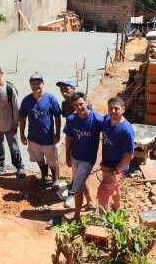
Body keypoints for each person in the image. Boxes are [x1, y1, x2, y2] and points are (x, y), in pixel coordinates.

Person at [64, 92, 103, 220]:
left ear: (86, 102)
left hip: (88, 159)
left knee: (77, 187)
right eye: (76, 105)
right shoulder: (71, 120)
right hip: (75, 156)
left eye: (81, 104)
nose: (79, 107)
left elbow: (110, 129)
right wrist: (67, 156)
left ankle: (76, 215)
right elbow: (68, 138)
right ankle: (91, 202)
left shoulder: (97, 119)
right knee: (79, 180)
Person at [0, 65, 26, 178]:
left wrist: (15, 124)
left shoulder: (9, 89)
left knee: (14, 147)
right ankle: (0, 166)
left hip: (10, 126)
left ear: (1, 73)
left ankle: (19, 167)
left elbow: (16, 108)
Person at [19, 73, 61, 186]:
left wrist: (57, 134)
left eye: (38, 83)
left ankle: (56, 179)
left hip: (48, 139)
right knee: (39, 160)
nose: (35, 85)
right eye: (33, 83)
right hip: (33, 139)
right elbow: (22, 118)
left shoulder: (51, 99)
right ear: (30, 85)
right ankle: (44, 175)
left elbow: (57, 117)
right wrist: (21, 134)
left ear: (43, 84)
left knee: (52, 161)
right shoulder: (26, 100)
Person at [97, 96, 135, 210]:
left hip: (116, 168)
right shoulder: (107, 121)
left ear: (123, 109)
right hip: (107, 164)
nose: (113, 111)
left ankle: (101, 219)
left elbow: (130, 155)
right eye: (110, 108)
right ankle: (118, 208)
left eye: (116, 108)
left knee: (103, 192)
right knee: (115, 188)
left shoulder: (126, 129)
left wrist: (115, 171)